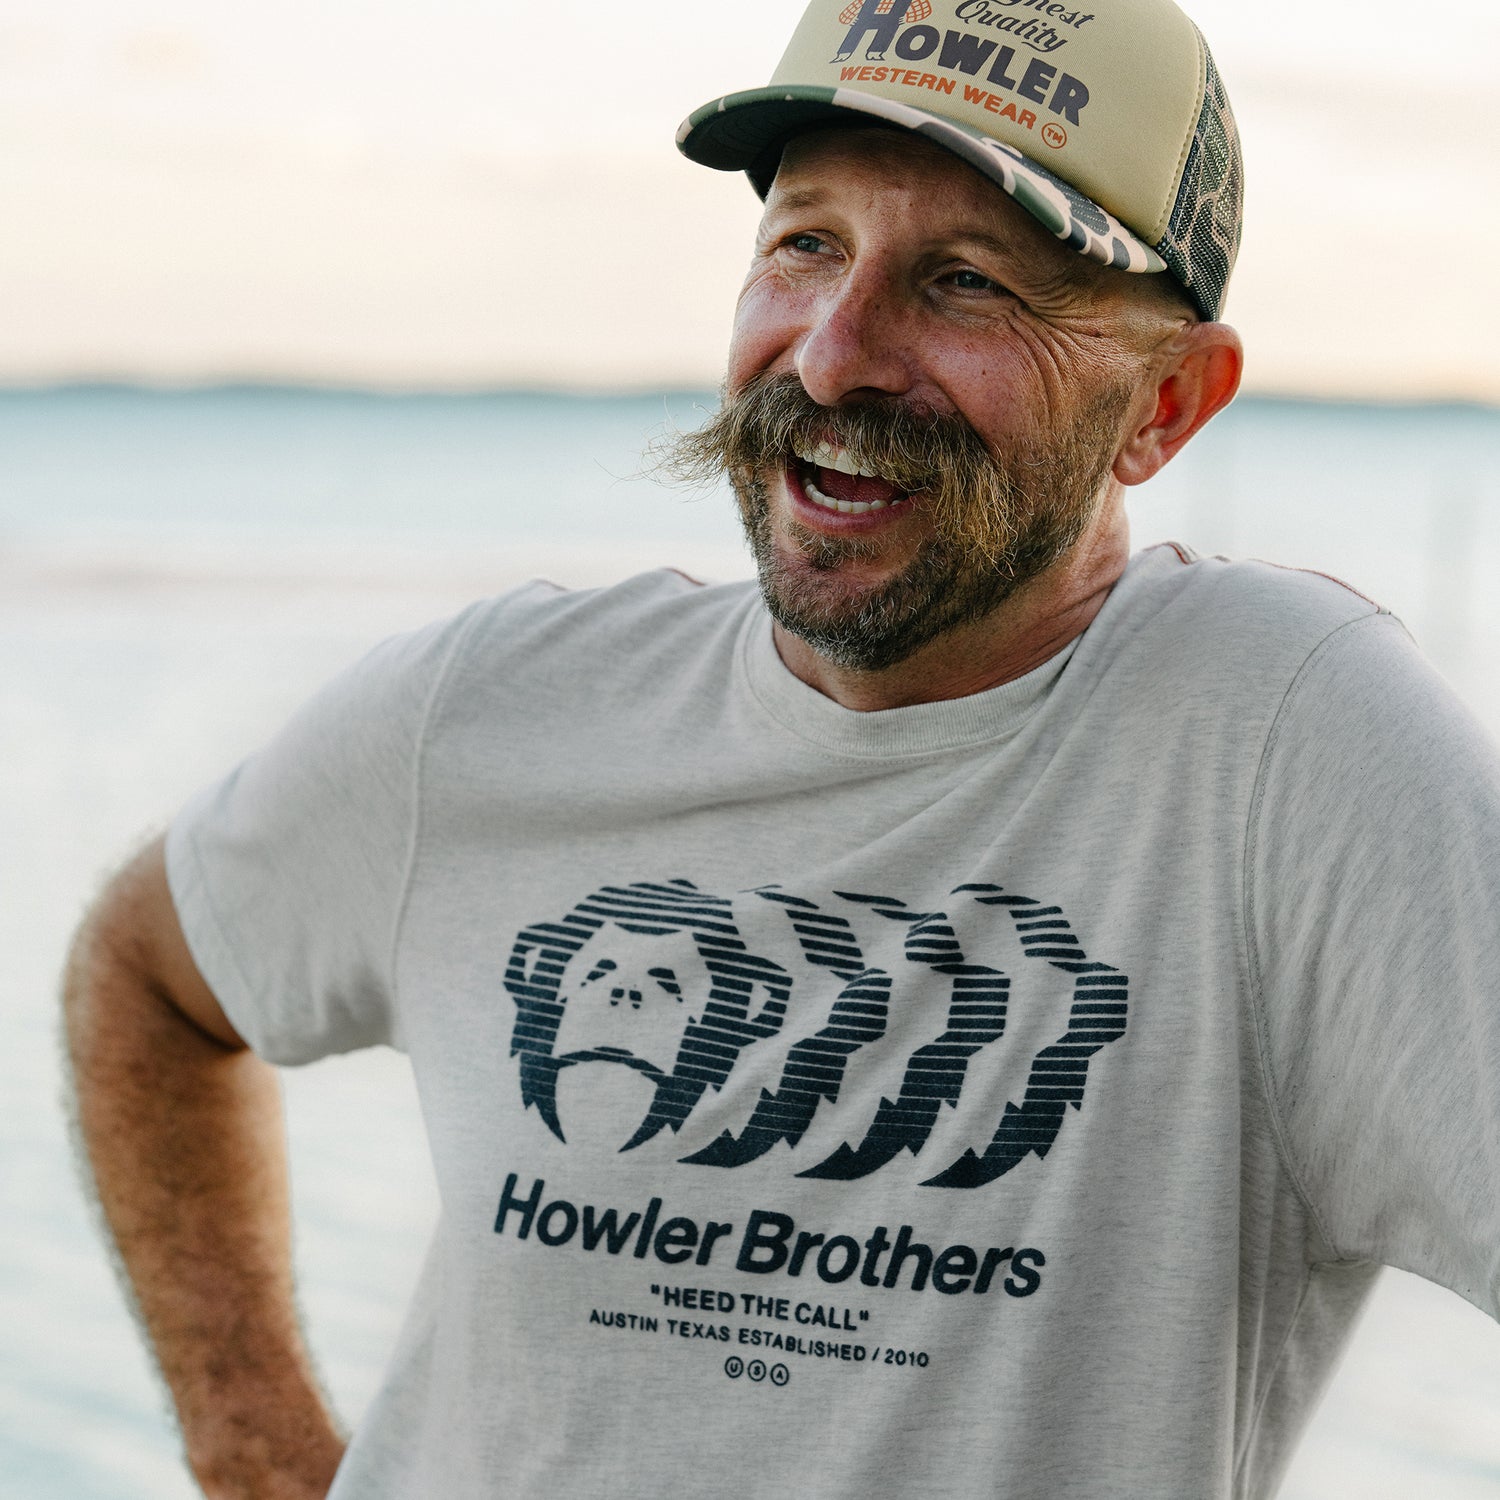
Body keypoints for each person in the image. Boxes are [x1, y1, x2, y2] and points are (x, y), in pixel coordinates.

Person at [61, 0, 1500, 1496]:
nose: (830, 360)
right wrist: (256, 1443)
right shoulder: (498, 708)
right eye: (805, 242)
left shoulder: (1288, 749)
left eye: (964, 281)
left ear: (1167, 404)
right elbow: (149, 975)